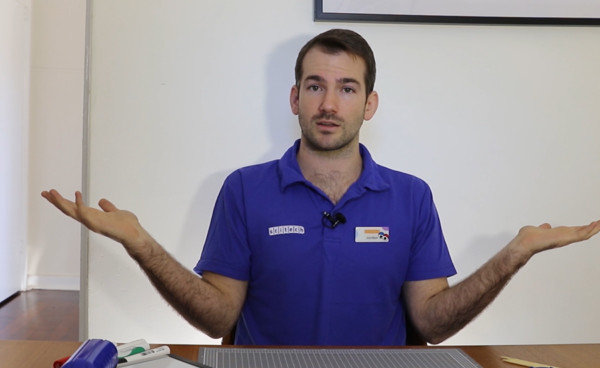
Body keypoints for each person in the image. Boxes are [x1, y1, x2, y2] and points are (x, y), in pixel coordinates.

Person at [42, 29, 599, 346]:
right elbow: (218, 319)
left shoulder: (411, 197)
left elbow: (430, 324)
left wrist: (514, 255)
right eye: (315, 86)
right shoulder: (243, 190)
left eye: (347, 88)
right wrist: (140, 241)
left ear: (369, 104)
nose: (329, 104)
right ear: (295, 98)